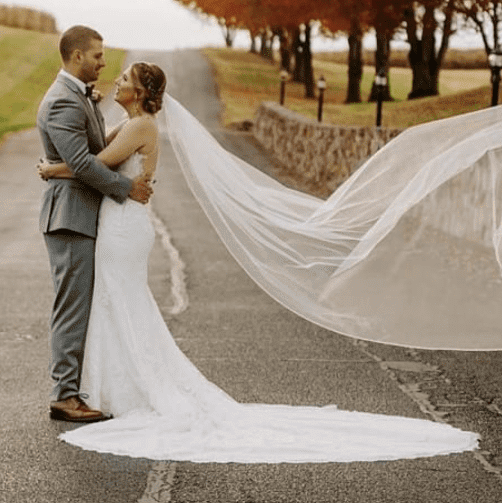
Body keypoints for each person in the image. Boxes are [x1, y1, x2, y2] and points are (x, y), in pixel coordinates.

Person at [37, 60, 481, 463]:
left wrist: (53, 169)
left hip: (124, 226)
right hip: (121, 221)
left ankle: (130, 390)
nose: (117, 81)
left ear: (141, 92)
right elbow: (98, 148)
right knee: (115, 301)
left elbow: (93, 164)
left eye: (125, 80)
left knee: (120, 299)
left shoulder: (142, 128)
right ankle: (113, 387)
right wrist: (91, 112)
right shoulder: (133, 121)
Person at [36, 26, 152, 424]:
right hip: (71, 217)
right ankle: (65, 395)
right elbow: (86, 164)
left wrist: (54, 168)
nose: (104, 62)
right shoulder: (63, 103)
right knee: (72, 308)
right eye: (98, 56)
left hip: (80, 214)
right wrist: (127, 188)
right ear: (76, 56)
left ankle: (76, 388)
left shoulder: (76, 96)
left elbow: (92, 150)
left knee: (81, 305)